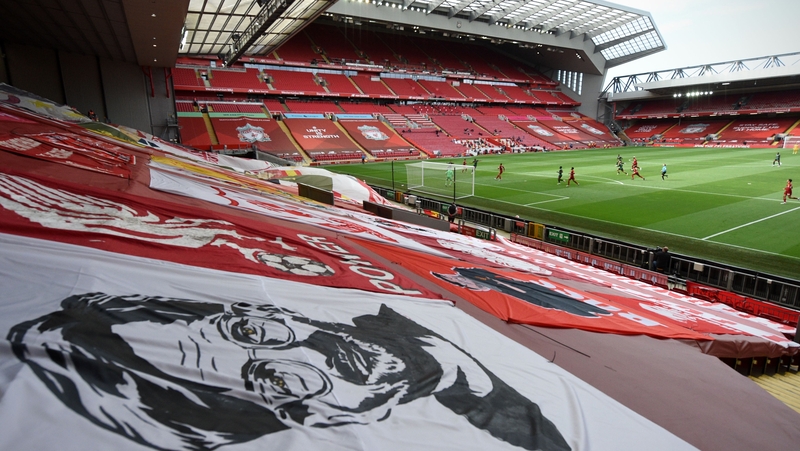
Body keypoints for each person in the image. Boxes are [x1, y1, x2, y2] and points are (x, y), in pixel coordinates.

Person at [8, 293, 571, 451]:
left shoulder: (384, 314)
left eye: (257, 335)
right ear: (319, 419)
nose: (321, 347)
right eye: (285, 380)